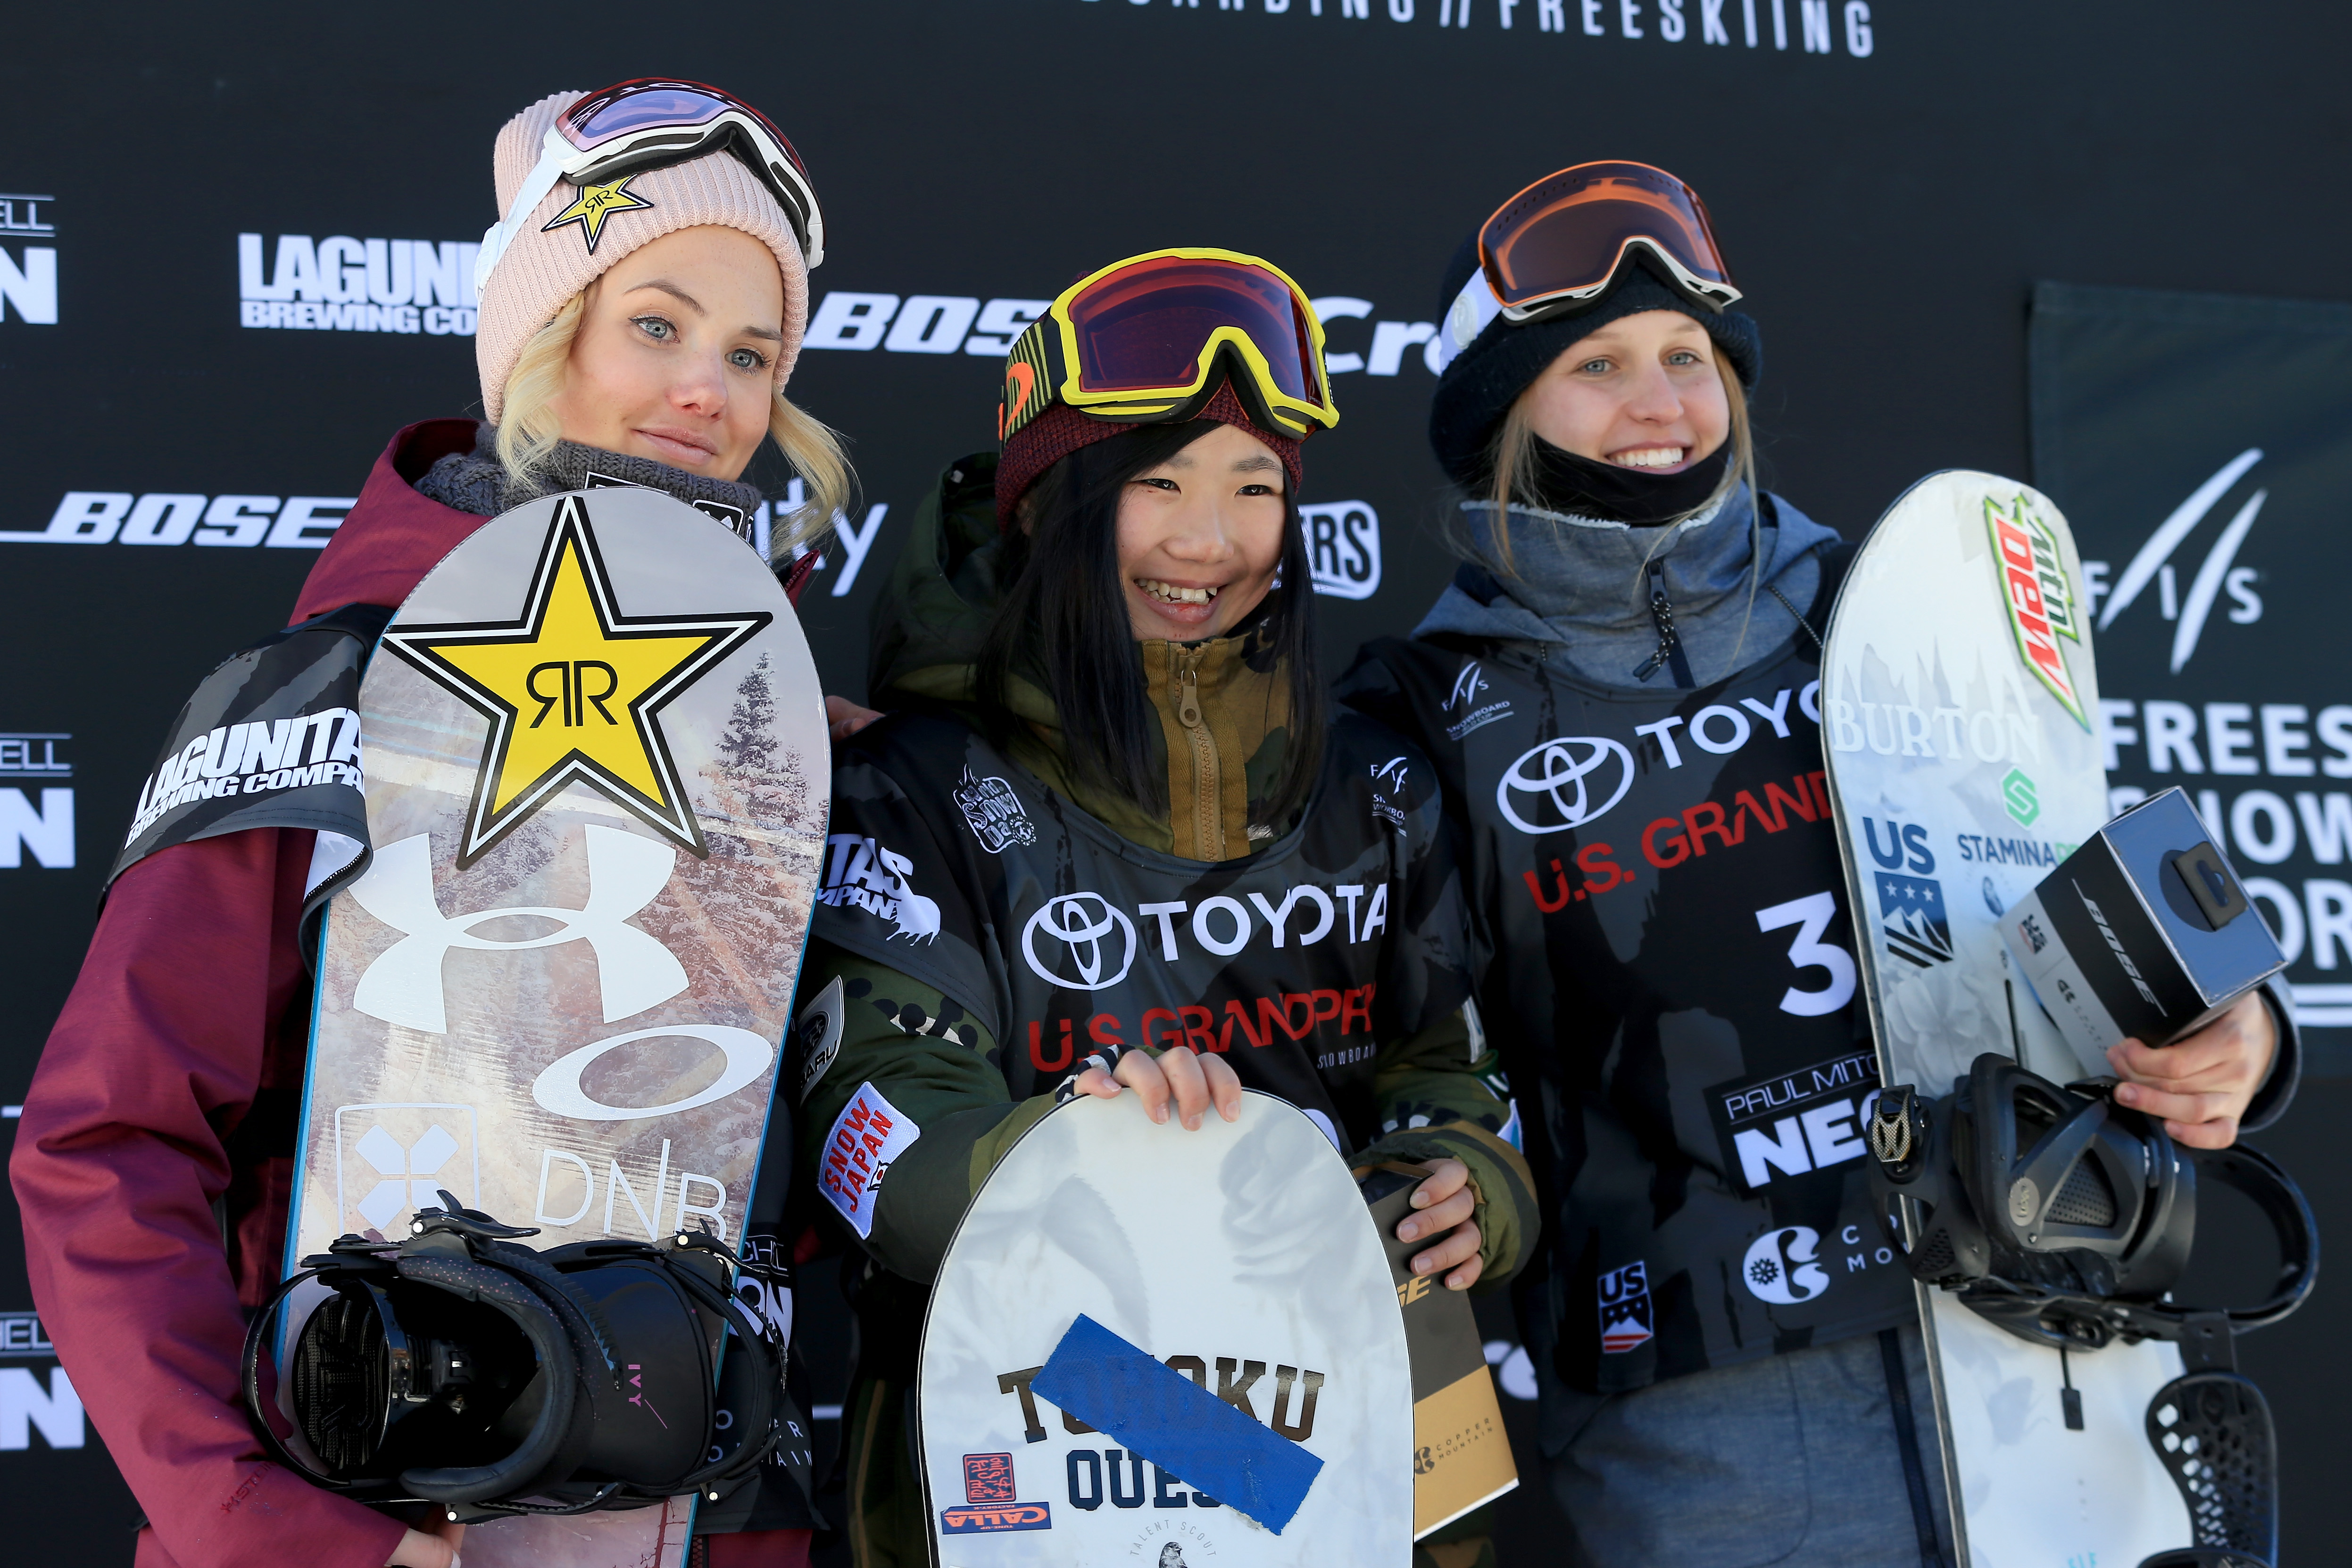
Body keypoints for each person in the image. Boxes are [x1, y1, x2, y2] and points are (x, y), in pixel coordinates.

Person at [1335, 161, 2299, 1568]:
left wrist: (2238, 1033)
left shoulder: (1900, 604)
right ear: (1502, 410)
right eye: (1597, 365)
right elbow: (1403, 1059)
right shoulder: (1420, 710)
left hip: (2045, 1340)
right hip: (1713, 1415)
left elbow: (2105, 897)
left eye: (1689, 357)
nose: (1660, 403)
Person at [10, 80, 854, 1568]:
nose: (706, 392)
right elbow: (108, 1144)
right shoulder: (326, 691)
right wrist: (282, 1534)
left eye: (750, 354)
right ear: (541, 335)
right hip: (384, 1520)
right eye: (655, 325)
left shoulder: (785, 739)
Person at [788, 249, 1536, 1568]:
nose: (1209, 541)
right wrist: (1088, 1163)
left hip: (1369, 1427)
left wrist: (1463, 1183)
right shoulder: (917, 786)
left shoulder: (1370, 781)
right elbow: (878, 1139)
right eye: (1160, 484)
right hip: (1056, 1418)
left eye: (1255, 487)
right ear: (1051, 506)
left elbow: (1446, 1069)